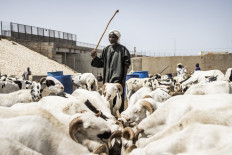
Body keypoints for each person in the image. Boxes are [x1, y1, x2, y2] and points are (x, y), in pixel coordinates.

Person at [91, 29, 131, 112]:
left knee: (118, 98)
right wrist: (95, 57)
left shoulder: (123, 50)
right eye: (110, 37)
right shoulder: (106, 50)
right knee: (107, 98)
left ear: (117, 38)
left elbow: (126, 65)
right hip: (107, 80)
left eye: (113, 37)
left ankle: (118, 115)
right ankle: (109, 114)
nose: (111, 39)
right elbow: (100, 63)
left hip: (118, 80)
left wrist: (123, 79)